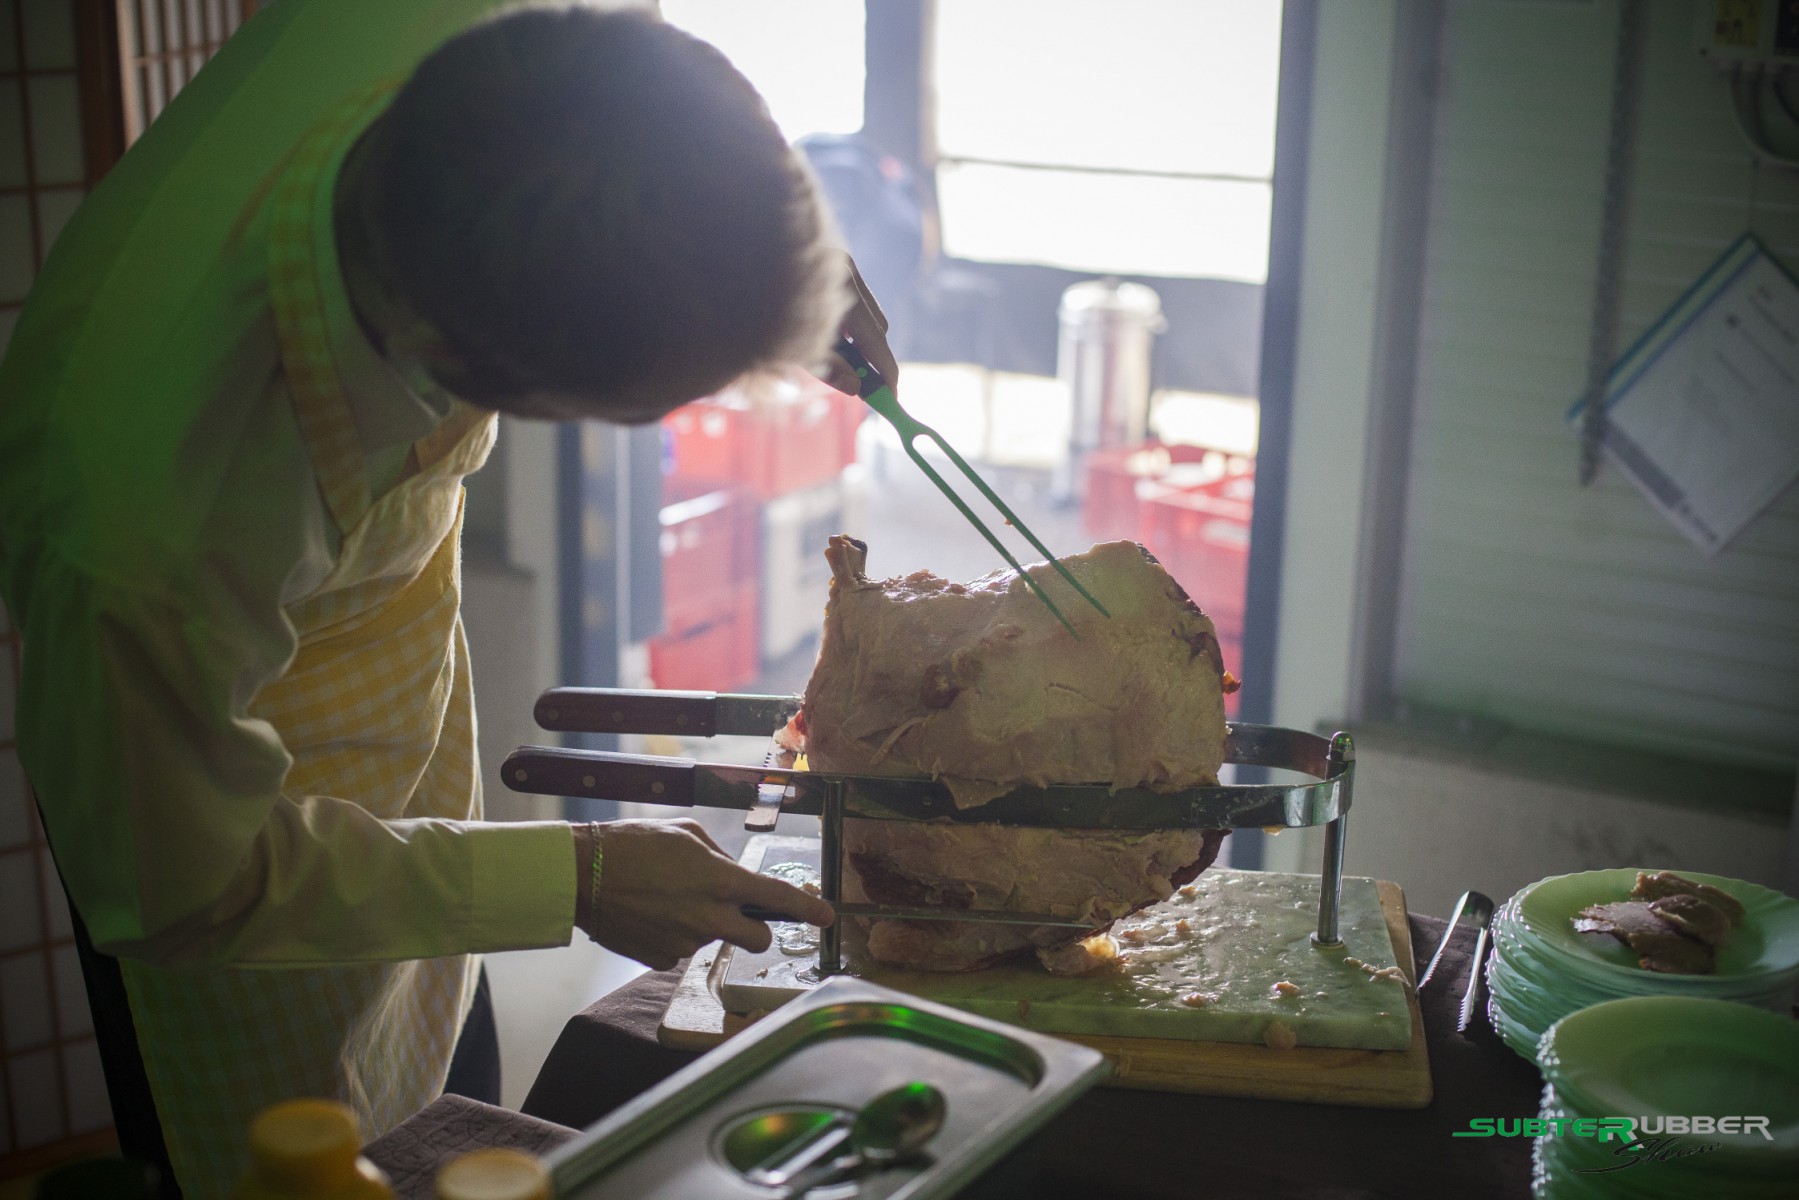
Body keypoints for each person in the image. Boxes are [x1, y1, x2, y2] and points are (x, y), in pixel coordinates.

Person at [0, 5, 896, 1198]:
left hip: (399, 725)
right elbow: (180, 884)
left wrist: (767, 253)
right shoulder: (142, 517)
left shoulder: (459, 43)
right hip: (244, 862)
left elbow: (645, 96)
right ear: (465, 374)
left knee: (453, 1087)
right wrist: (576, 877)